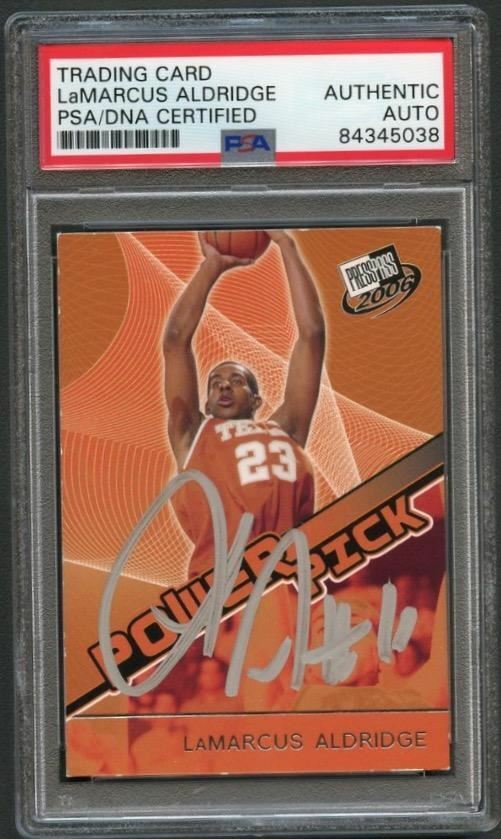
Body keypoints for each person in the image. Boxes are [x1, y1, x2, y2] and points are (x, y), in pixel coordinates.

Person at [163, 229, 325, 579]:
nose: (224, 384)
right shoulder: (193, 434)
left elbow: (312, 336)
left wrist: (287, 246)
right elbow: (176, 340)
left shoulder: (285, 429)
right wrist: (211, 266)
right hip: (217, 587)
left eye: (237, 381)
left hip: (285, 583)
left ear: (256, 400)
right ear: (206, 403)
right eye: (215, 383)